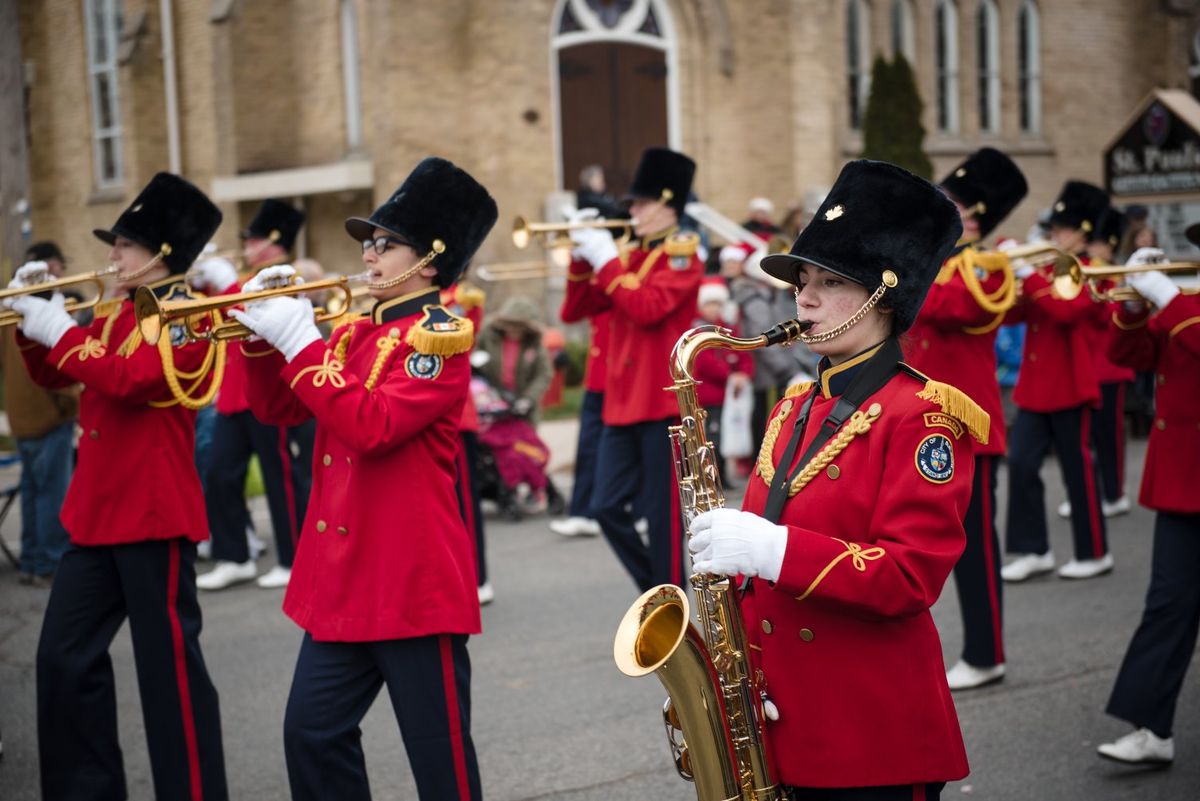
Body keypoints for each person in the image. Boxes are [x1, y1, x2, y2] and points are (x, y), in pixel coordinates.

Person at [688, 159, 978, 798]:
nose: (805, 298)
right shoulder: (795, 405)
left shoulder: (925, 417)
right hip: (788, 717)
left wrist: (773, 550)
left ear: (883, 293)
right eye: (802, 282)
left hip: (871, 731)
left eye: (830, 282)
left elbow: (909, 577)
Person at [231, 156, 495, 801]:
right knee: (310, 735)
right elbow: (280, 410)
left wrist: (300, 342)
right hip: (345, 579)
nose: (369, 255)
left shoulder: (441, 341)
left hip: (410, 582)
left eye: (385, 244)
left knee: (439, 760)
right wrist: (265, 340)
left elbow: (373, 426)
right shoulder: (353, 333)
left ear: (429, 260)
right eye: (368, 244)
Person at [7, 172, 228, 800]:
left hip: (153, 513)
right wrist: (31, 325)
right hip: (99, 512)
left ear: (161, 253)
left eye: (125, 245)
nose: (113, 256)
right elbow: (63, 375)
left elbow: (134, 380)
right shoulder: (115, 312)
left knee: (169, 677)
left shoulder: (188, 315)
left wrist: (61, 329)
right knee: (61, 659)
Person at [905, 147, 1027, 690]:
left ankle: (986, 653)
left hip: (966, 426)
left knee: (974, 551)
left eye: (948, 203)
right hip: (912, 419)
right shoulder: (934, 259)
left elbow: (956, 307)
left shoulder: (986, 267)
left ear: (971, 215)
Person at [564, 146, 703, 591]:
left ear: (668, 204)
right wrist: (582, 261)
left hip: (659, 401)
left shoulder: (682, 256)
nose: (633, 211)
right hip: (620, 402)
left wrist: (606, 260)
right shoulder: (626, 257)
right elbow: (575, 309)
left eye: (641, 203)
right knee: (604, 506)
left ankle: (668, 598)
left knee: (663, 522)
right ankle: (660, 593)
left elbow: (646, 308)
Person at [1096, 243, 1199, 766]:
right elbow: (1128, 356)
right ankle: (1153, 727)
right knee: (1168, 605)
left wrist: (1165, 294)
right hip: (1187, 482)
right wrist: (1135, 308)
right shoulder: (1187, 303)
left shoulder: (1185, 306)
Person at [193, 198, 313, 591]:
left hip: (270, 392)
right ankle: (234, 555)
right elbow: (216, 315)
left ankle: (296, 557)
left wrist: (224, 279)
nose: (247, 245)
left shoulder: (283, 277)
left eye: (254, 238)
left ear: (274, 242)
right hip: (233, 395)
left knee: (281, 478)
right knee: (219, 473)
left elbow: (238, 305)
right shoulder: (242, 277)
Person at [1001, 180, 1112, 582]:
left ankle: (1094, 551)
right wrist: (1005, 281)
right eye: (1053, 229)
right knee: (1021, 464)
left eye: (1061, 229)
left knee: (1077, 470)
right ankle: (1034, 549)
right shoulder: (1047, 269)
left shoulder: (1092, 270)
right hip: (1034, 387)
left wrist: (1028, 272)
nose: (1053, 236)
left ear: (1083, 231)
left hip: (1069, 383)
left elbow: (1066, 312)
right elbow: (1013, 316)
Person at [0, 243, 79, 586]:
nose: (61, 273)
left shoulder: (12, 307)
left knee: (32, 490)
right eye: (59, 266)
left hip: (21, 415)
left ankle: (31, 561)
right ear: (48, 265)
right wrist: (70, 401)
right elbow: (58, 364)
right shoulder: (47, 304)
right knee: (51, 493)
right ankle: (48, 563)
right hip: (49, 412)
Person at [692, 277, 752, 486]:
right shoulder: (699, 329)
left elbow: (741, 351)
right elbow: (704, 361)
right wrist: (731, 375)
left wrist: (744, 373)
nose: (714, 308)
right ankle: (712, 478)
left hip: (727, 395)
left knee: (725, 437)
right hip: (709, 395)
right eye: (710, 303)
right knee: (711, 438)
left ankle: (723, 476)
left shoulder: (725, 327)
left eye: (717, 303)